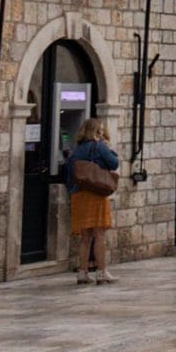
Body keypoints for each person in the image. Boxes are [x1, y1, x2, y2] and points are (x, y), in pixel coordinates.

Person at [63, 117, 119, 285]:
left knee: (85, 236)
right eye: (100, 130)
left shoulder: (77, 150)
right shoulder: (99, 147)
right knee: (99, 234)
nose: (102, 133)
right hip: (95, 195)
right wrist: (109, 149)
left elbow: (69, 173)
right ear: (96, 132)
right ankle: (101, 272)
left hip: (79, 195)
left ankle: (82, 272)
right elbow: (114, 163)